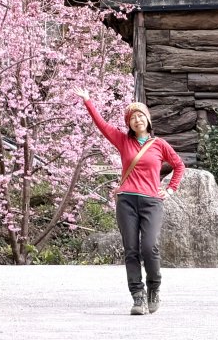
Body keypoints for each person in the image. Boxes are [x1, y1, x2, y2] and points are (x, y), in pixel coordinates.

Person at [75, 88, 185, 316]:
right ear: (129, 123)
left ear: (147, 119)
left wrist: (171, 189)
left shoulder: (159, 144)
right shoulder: (123, 141)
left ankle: (154, 288)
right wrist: (88, 100)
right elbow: (102, 125)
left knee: (150, 247)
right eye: (132, 118)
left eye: (140, 115)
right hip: (126, 201)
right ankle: (138, 296)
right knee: (131, 250)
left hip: (152, 202)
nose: (137, 120)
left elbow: (179, 166)